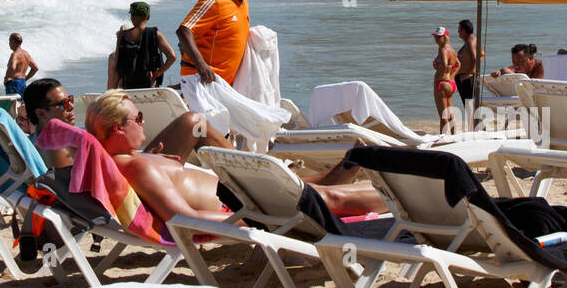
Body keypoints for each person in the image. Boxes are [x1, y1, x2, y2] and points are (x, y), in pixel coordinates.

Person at [85, 91, 388, 227]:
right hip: (243, 205)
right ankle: (414, 202)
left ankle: (404, 194)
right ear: (118, 129)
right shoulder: (137, 167)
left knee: (323, 194)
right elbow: (183, 219)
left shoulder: (126, 161)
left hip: (241, 194)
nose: (142, 121)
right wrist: (251, 222)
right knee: (330, 198)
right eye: (137, 118)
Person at [177, 0, 253, 85]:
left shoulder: (243, 1)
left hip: (224, 83)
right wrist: (202, 67)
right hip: (203, 79)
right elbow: (184, 31)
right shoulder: (215, 1)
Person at [108, 2, 177, 89]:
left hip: (128, 85)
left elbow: (118, 65)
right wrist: (159, 72)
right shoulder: (155, 34)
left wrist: (113, 91)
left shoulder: (122, 35)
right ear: (148, 17)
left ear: (132, 18)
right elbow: (172, 56)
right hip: (148, 84)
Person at [23, 78, 78, 168]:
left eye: (69, 100)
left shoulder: (30, 144)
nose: (71, 106)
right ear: (41, 113)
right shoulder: (59, 150)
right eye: (62, 104)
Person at [431, 27, 460, 132]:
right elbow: (458, 64)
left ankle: (442, 138)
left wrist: (438, 67)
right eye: (436, 37)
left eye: (439, 37)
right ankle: (454, 137)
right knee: (450, 113)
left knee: (443, 116)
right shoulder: (451, 50)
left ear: (445, 37)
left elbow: (443, 63)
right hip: (451, 83)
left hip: (442, 83)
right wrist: (452, 75)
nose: (436, 39)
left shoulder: (443, 49)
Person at [454, 19, 481, 106]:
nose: (458, 31)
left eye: (459, 29)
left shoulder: (470, 41)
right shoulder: (473, 39)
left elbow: (474, 58)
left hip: (466, 78)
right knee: (470, 106)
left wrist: (469, 73)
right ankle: (473, 120)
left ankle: (472, 120)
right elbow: (482, 54)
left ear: (464, 30)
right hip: (466, 77)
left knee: (469, 107)